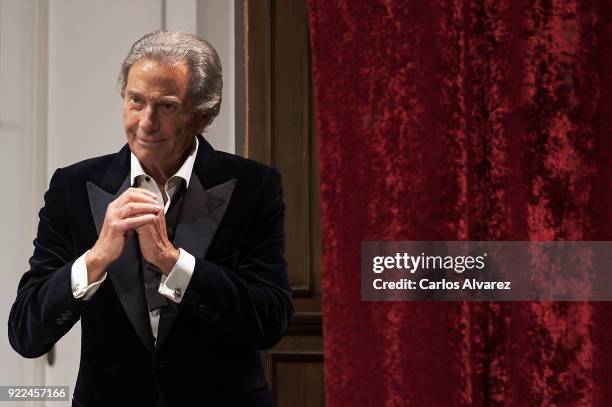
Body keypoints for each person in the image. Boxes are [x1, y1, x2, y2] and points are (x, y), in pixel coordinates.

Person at [8, 31, 293, 407]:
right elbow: (26, 333)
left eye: (167, 106)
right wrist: (94, 260)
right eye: (135, 101)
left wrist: (174, 263)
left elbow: (269, 321)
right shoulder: (72, 187)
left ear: (203, 114)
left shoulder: (255, 186)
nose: (146, 122)